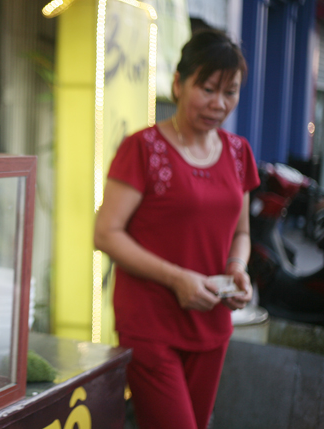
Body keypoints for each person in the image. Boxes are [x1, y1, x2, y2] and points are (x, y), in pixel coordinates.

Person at [94, 28, 260, 429]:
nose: (219, 104)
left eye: (230, 92)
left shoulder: (238, 153)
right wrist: (178, 278)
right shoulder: (143, 148)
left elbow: (241, 233)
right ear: (177, 84)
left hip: (213, 321)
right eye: (207, 88)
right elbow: (106, 233)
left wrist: (238, 267)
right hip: (151, 324)